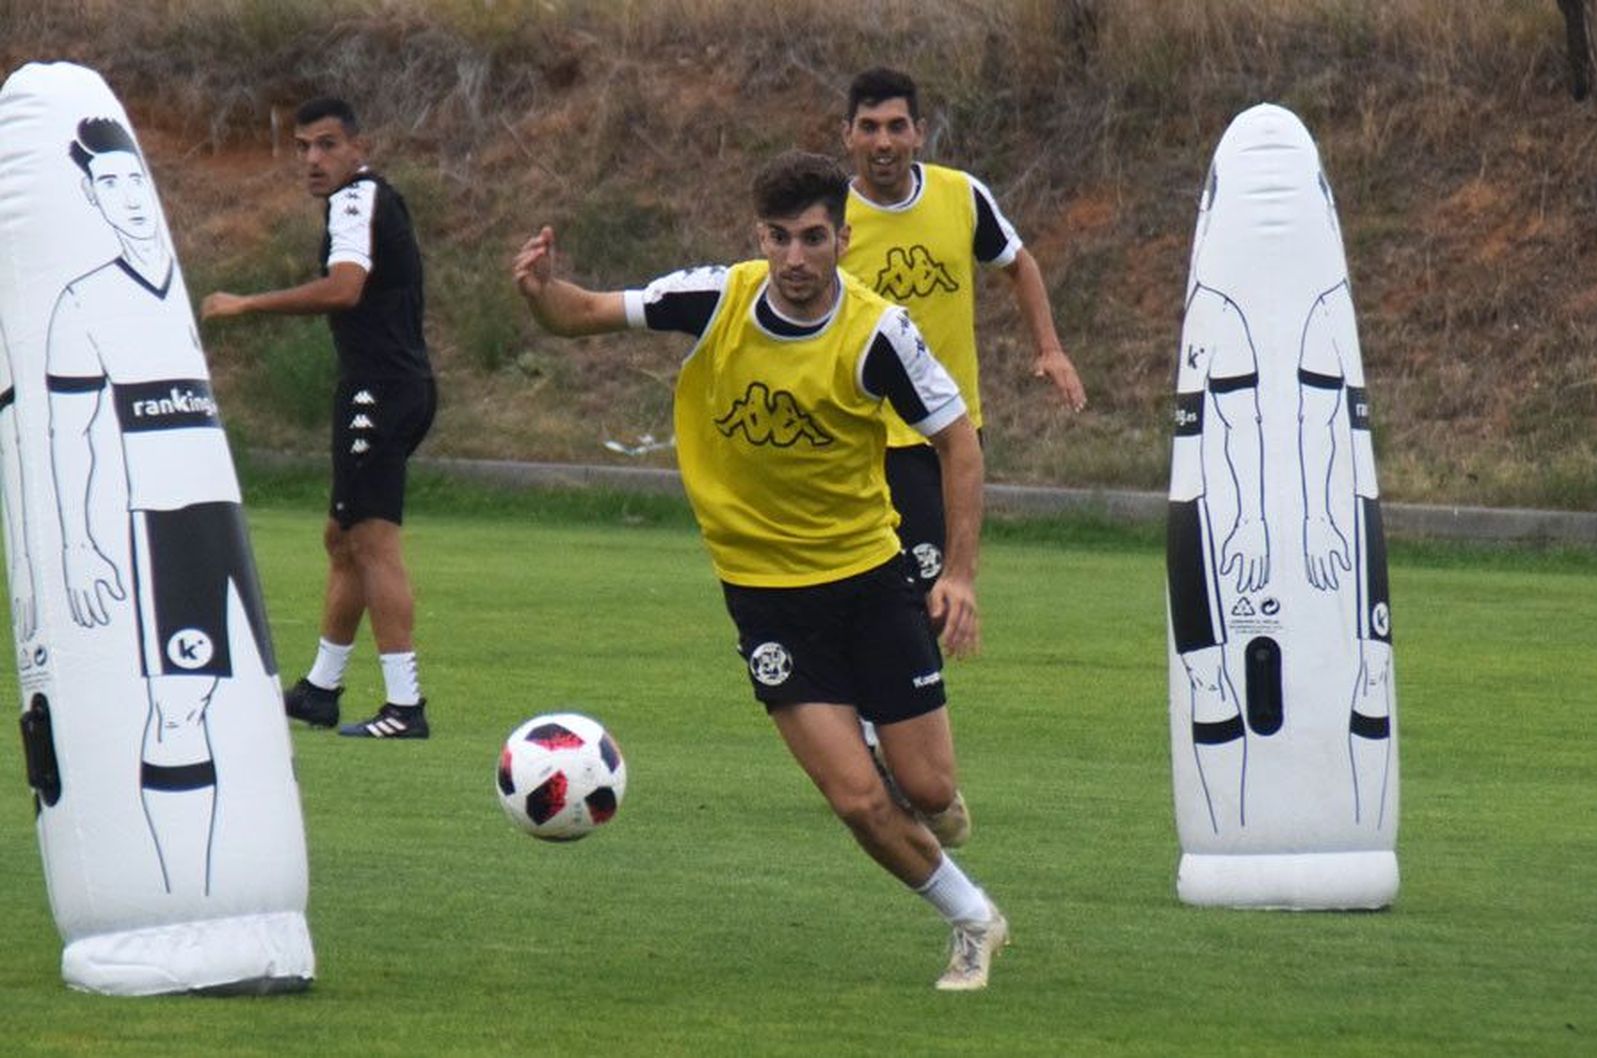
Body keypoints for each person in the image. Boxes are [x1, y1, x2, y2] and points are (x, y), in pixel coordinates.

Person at [513, 150, 1009, 991]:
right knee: (856, 800)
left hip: (869, 580)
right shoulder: (718, 299)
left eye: (813, 238)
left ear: (843, 240)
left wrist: (957, 574)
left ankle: (920, 793)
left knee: (929, 788)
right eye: (779, 239)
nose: (794, 260)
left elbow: (957, 441)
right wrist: (540, 293)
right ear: (759, 238)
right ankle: (974, 921)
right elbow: (584, 313)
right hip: (767, 602)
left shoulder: (878, 334)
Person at [839, 67, 1089, 833]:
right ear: (848, 134)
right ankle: (891, 752)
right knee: (885, 588)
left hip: (942, 436)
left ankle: (892, 745)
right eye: (869, 128)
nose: (883, 142)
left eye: (896, 127)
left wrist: (1049, 348)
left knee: (921, 591)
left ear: (918, 132)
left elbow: (1019, 264)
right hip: (854, 438)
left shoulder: (959, 197)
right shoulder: (832, 217)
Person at [48, 116, 280, 892]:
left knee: (257, 706)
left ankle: (236, 885)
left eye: (134, 179)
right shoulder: (82, 303)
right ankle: (182, 897)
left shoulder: (178, 294)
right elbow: (71, 432)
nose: (127, 196)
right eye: (107, 184)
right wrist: (78, 543)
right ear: (90, 196)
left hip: (227, 520)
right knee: (179, 706)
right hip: (167, 525)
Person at [201, 97, 436, 740]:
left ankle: (404, 706)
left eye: (327, 144)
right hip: (392, 386)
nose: (312, 159)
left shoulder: (355, 200)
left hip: (380, 392)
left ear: (359, 147)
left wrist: (248, 303)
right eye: (303, 146)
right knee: (343, 540)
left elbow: (345, 286)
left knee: (371, 542)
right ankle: (320, 691)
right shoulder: (371, 198)